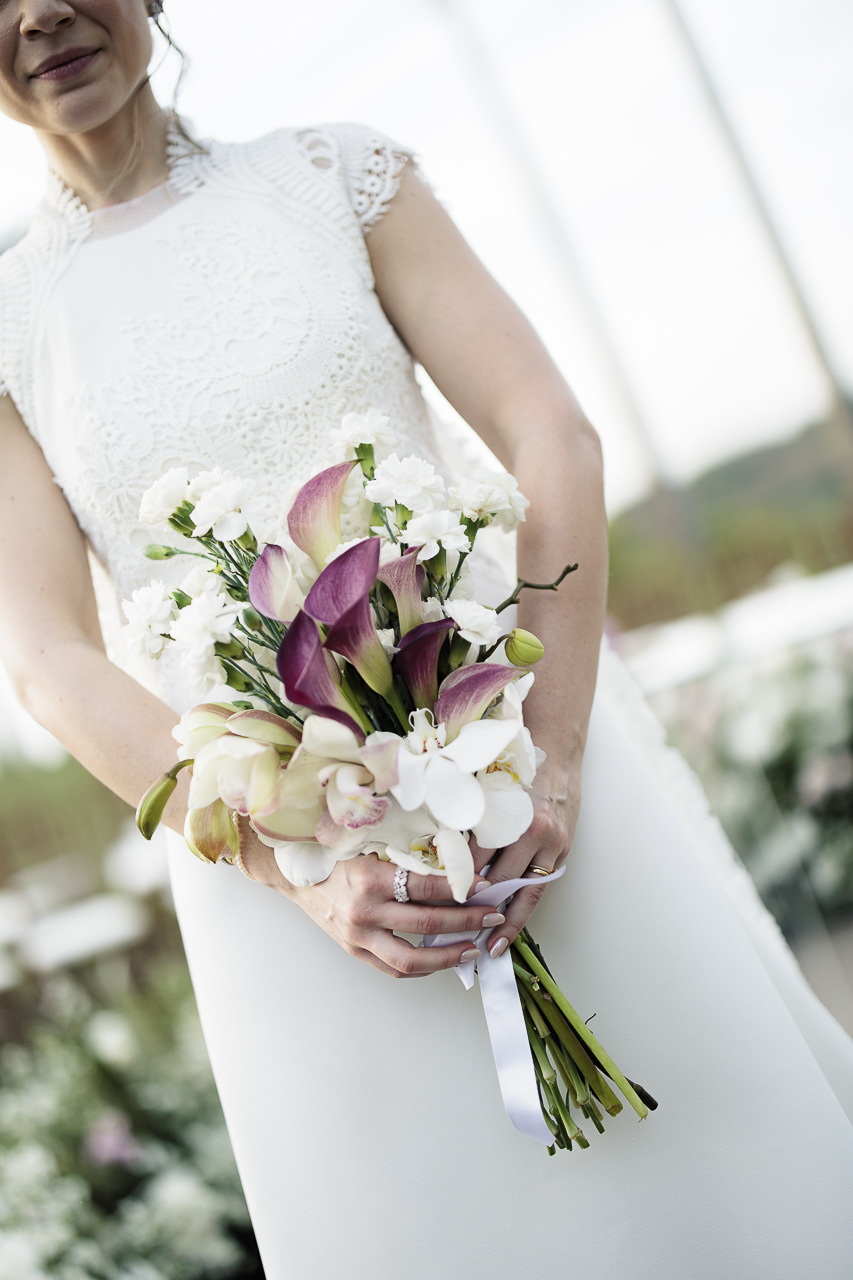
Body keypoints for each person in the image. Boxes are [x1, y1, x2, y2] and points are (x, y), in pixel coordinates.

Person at [0, 3, 851, 1277]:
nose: (39, 14)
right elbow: (48, 658)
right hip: (288, 888)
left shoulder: (337, 180)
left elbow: (550, 434)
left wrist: (549, 760)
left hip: (520, 772)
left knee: (716, 1173)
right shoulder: (11, 321)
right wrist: (296, 869)